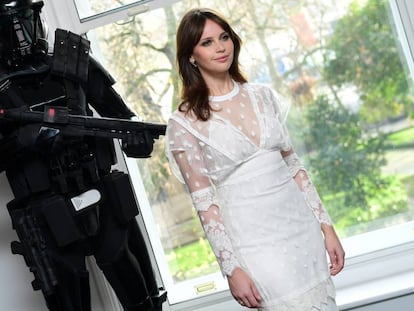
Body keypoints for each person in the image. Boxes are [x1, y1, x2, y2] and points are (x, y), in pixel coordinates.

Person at [165, 8, 345, 310]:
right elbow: (204, 205)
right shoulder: (184, 123)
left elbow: (296, 169)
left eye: (224, 37)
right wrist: (231, 268)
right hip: (256, 247)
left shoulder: (264, 96)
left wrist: (327, 228)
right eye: (207, 42)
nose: (221, 47)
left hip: (303, 233)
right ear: (191, 56)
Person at [0, 0, 167, 310]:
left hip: (103, 198)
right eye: (13, 21)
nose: (22, 31)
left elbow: (122, 117)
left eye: (27, 17)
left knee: (144, 300)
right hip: (47, 216)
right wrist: (25, 141)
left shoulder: (72, 60)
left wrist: (136, 138)